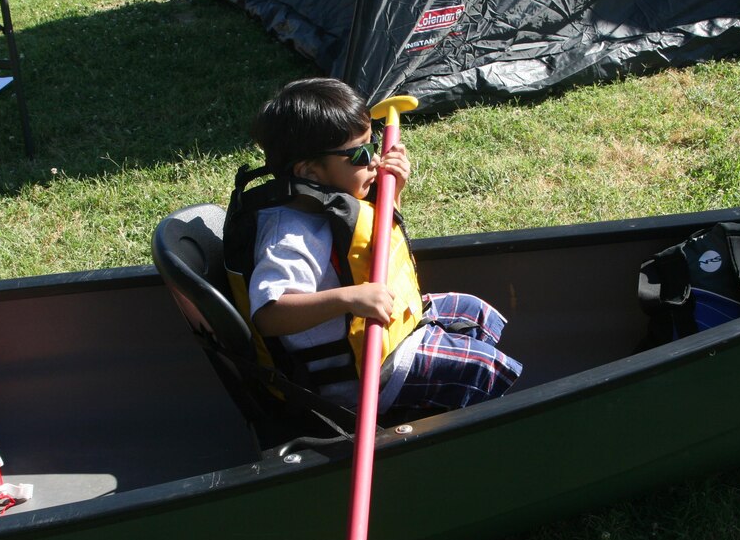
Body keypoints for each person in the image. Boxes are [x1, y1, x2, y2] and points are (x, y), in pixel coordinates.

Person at [223, 77, 521, 414]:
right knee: (481, 366)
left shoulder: (328, 202)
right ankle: (486, 420)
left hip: (380, 338)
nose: (375, 160)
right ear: (310, 172)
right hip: (357, 381)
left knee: (471, 310)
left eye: (373, 144)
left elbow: (366, 242)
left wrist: (393, 194)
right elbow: (269, 315)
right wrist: (349, 298)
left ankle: (465, 406)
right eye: (360, 154)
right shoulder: (289, 236)